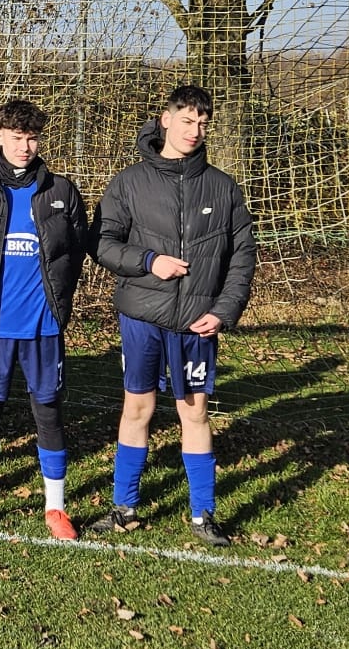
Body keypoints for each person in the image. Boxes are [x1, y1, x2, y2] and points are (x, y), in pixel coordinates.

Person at [88, 84, 256, 547]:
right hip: (143, 316)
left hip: (197, 321)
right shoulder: (129, 182)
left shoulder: (222, 187)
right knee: (137, 408)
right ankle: (124, 507)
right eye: (187, 120)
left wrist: (223, 310)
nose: (195, 130)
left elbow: (242, 256)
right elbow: (101, 243)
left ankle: (203, 515)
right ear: (166, 120)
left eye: (203, 123)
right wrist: (148, 261)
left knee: (194, 412)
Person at [0, 98, 89, 539]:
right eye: (16, 136)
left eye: (31, 137)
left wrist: (59, 300)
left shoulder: (61, 192)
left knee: (47, 410)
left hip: (42, 326)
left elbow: (75, 250)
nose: (24, 146)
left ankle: (56, 507)